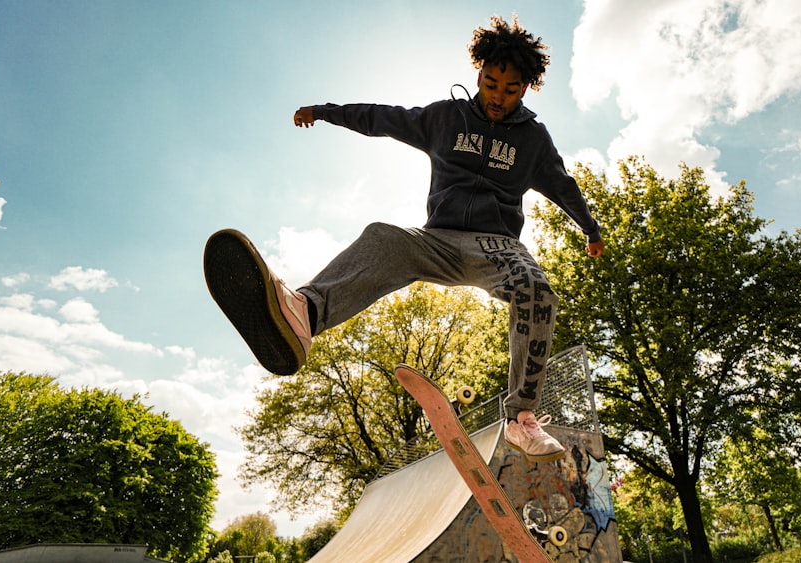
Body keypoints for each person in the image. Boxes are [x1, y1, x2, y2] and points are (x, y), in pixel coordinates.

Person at [204, 14, 604, 463]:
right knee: (385, 238)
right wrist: (324, 112)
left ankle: (521, 419)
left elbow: (562, 185)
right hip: (437, 241)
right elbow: (383, 118)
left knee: (537, 290)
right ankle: (304, 313)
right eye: (491, 84)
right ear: (479, 74)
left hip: (497, 246)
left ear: (526, 89)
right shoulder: (445, 117)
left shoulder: (533, 140)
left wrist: (590, 229)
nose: (497, 97)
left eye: (510, 90)